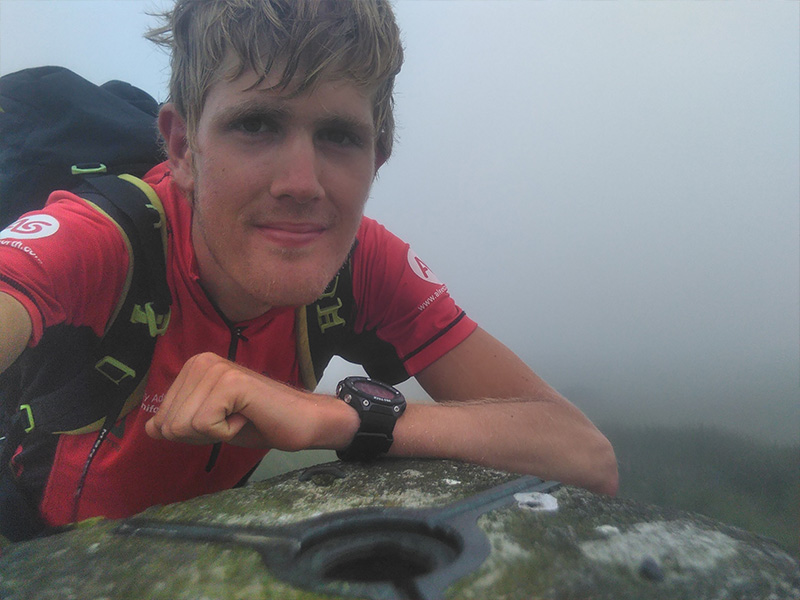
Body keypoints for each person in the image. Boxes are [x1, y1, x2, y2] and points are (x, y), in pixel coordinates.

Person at [0, 0, 617, 533]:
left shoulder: (364, 265)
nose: (301, 183)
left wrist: (336, 417)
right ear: (184, 148)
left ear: (377, 157)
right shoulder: (103, 240)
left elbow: (583, 453)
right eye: (255, 124)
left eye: (339, 136)